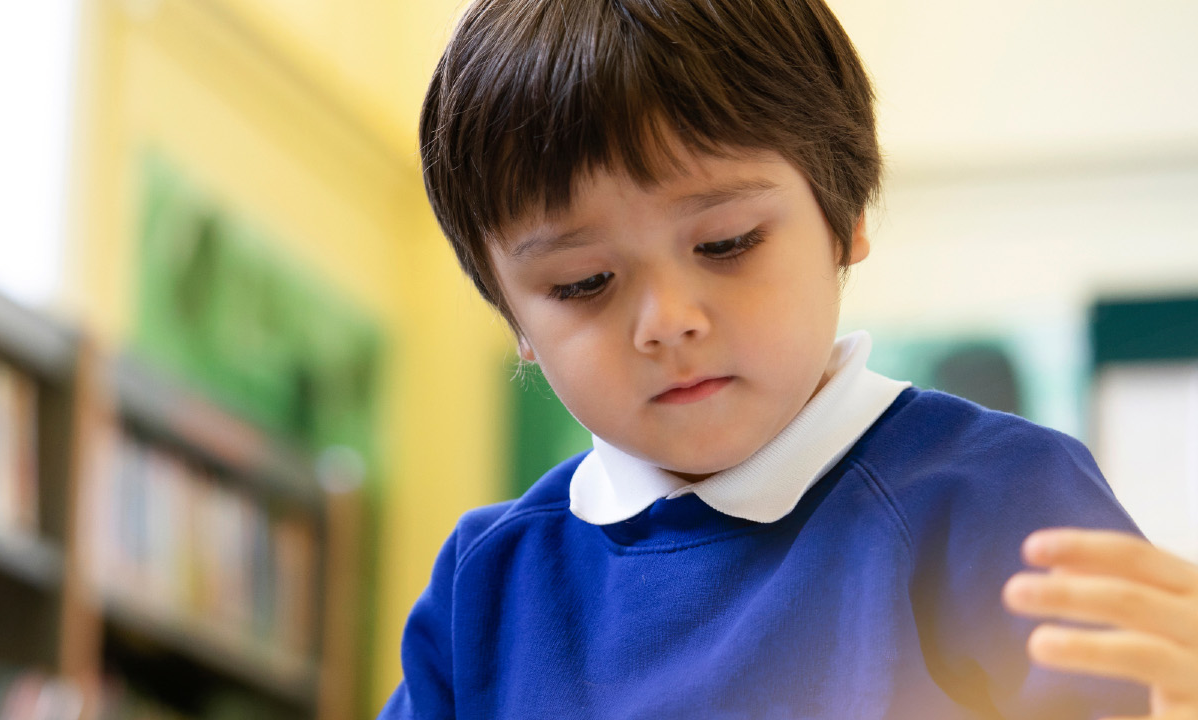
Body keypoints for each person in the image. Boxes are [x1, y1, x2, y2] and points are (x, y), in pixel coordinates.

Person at [381, 0, 1198, 717]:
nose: (668, 323)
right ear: (513, 313)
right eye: (583, 283)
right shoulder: (484, 589)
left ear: (842, 217)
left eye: (727, 243)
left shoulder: (999, 501)